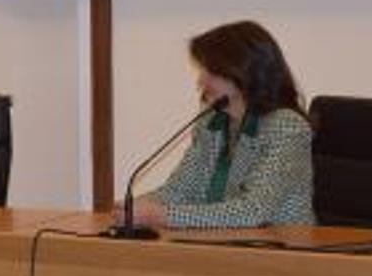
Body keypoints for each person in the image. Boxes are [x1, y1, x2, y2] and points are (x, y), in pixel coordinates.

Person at [131, 20, 315, 228]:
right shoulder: (211, 123)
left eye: (211, 71)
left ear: (243, 72)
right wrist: (131, 208)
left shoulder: (286, 127)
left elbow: (253, 211)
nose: (201, 80)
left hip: (284, 252)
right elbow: (179, 191)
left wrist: (163, 216)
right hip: (223, 245)